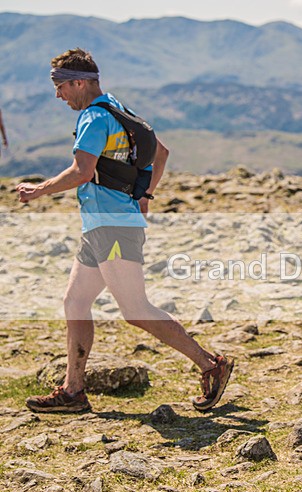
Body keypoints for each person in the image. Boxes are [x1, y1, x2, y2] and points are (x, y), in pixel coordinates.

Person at [15, 48, 233, 413]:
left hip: (111, 228)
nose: (58, 95)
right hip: (104, 226)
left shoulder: (92, 118)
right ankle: (73, 391)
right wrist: (145, 193)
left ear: (79, 82)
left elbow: (82, 172)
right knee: (76, 302)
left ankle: (211, 364)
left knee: (135, 309)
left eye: (60, 87)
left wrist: (38, 190)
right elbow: (161, 152)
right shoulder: (118, 109)